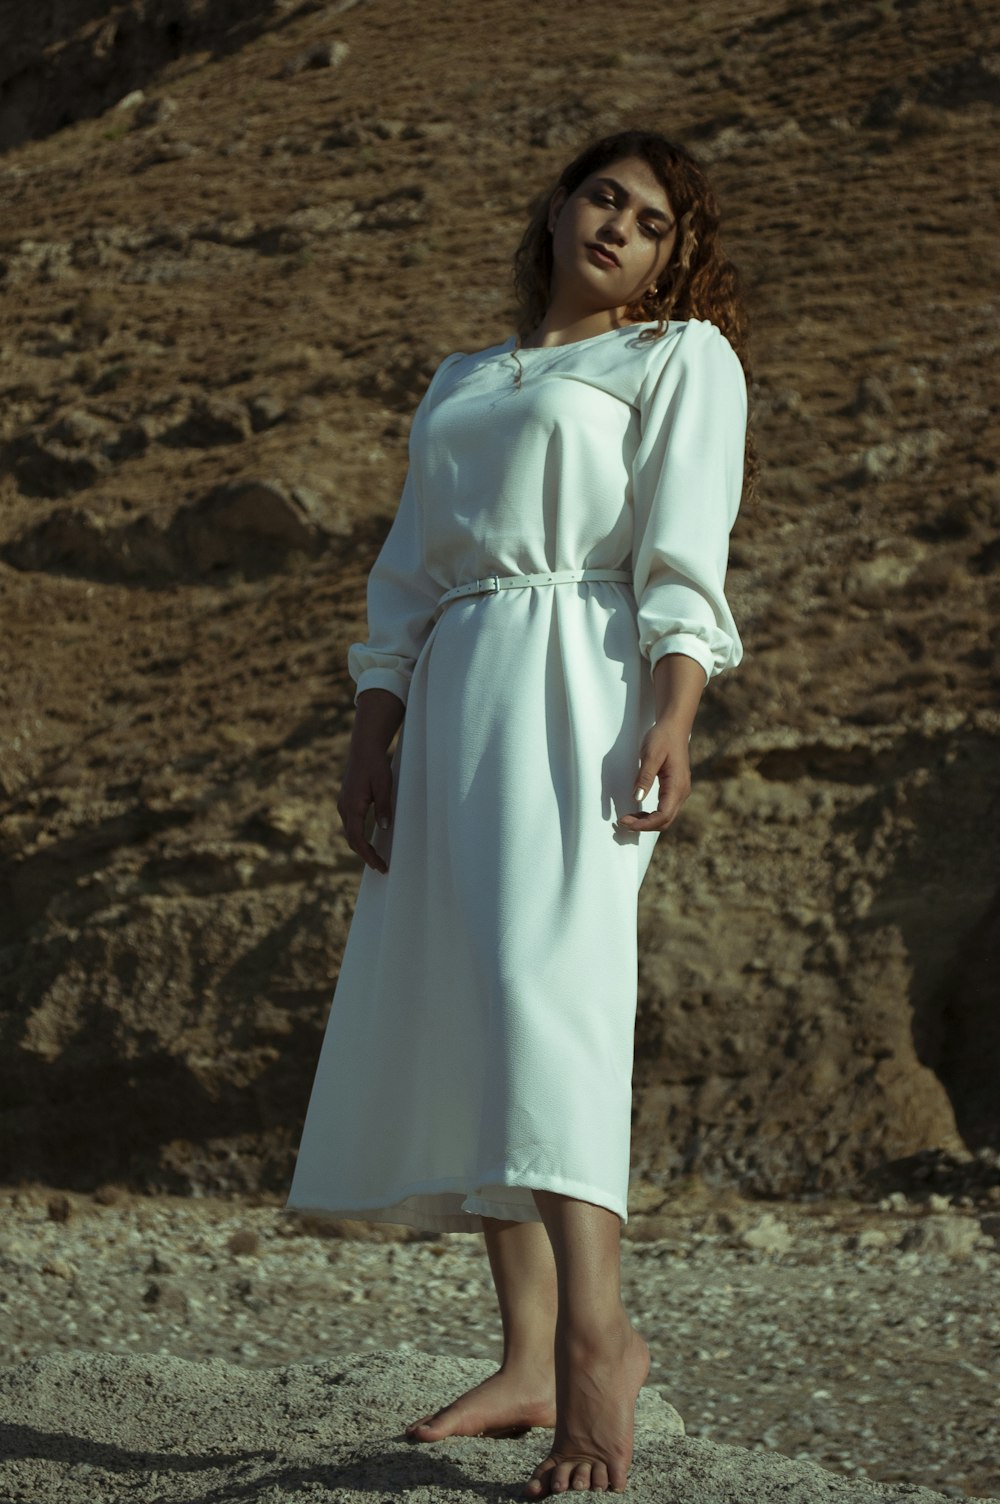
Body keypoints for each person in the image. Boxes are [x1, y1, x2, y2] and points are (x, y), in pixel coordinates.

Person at [286, 128, 755, 1496]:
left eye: (653, 221)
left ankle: (604, 1345)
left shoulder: (676, 360)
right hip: (455, 688)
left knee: (543, 986)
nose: (620, 226)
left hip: (581, 677)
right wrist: (373, 734)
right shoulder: (464, 378)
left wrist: (674, 712)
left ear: (673, 257)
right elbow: (408, 577)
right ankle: (529, 1353)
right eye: (603, 196)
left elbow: (686, 549)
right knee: (477, 1002)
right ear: (557, 209)